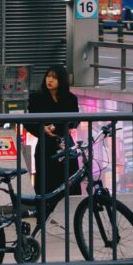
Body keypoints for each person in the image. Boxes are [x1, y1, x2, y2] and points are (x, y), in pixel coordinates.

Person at [26, 65, 81, 201]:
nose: (49, 80)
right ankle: (45, 215)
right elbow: (28, 121)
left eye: (54, 78)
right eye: (48, 76)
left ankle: (70, 214)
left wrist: (57, 126)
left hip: (64, 143)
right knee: (46, 180)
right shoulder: (37, 98)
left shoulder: (70, 98)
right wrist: (42, 129)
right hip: (46, 144)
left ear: (61, 80)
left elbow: (75, 120)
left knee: (70, 179)